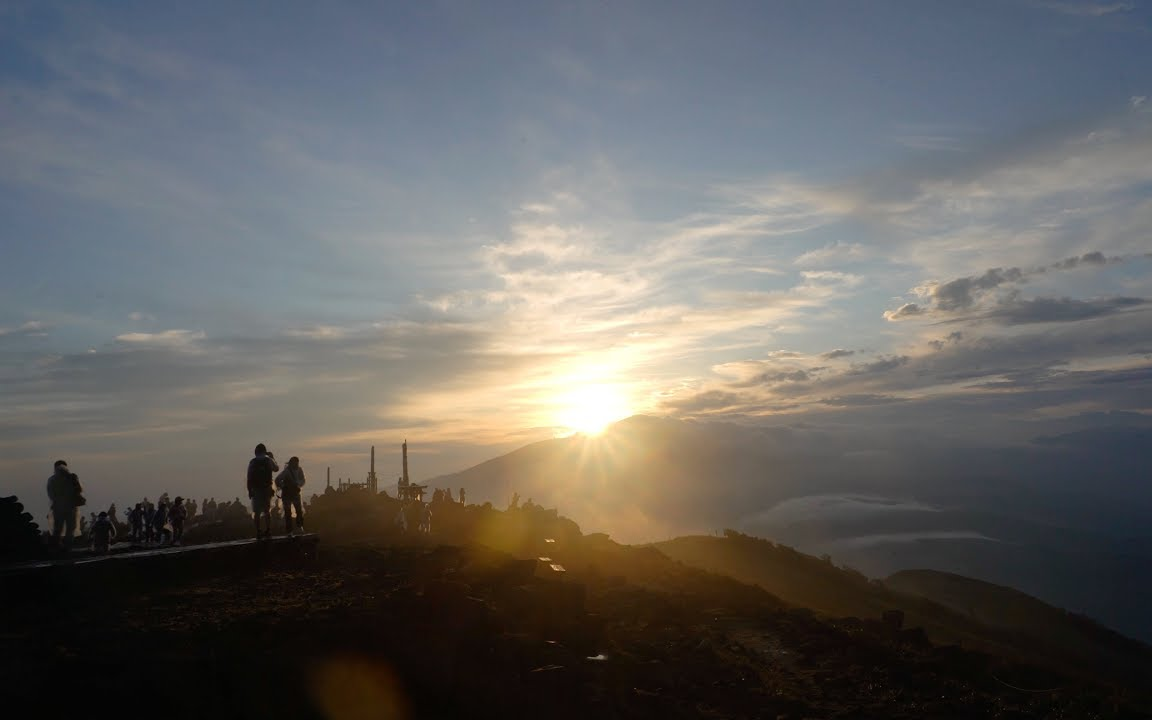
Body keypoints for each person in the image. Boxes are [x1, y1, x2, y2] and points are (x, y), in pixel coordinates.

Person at [46, 460, 83, 551]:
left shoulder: (52, 479)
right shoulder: (72, 477)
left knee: (58, 528)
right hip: (71, 507)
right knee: (71, 527)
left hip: (58, 507)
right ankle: (68, 546)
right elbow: (79, 489)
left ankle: (57, 546)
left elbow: (51, 494)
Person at [247, 443, 279, 539]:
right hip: (267, 489)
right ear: (264, 451)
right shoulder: (268, 460)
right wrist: (272, 457)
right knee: (267, 511)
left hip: (256, 489)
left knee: (256, 512)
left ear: (256, 452)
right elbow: (276, 469)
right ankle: (268, 530)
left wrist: (249, 490)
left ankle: (258, 531)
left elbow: (249, 477)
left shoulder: (252, 462)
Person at [275, 456, 306, 535]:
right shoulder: (287, 471)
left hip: (294, 494)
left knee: (298, 511)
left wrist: (297, 485)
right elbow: (277, 480)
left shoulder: (299, 470)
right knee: (288, 513)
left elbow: (303, 480)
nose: (296, 464)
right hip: (287, 495)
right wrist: (283, 487)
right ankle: (290, 531)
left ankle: (299, 527)